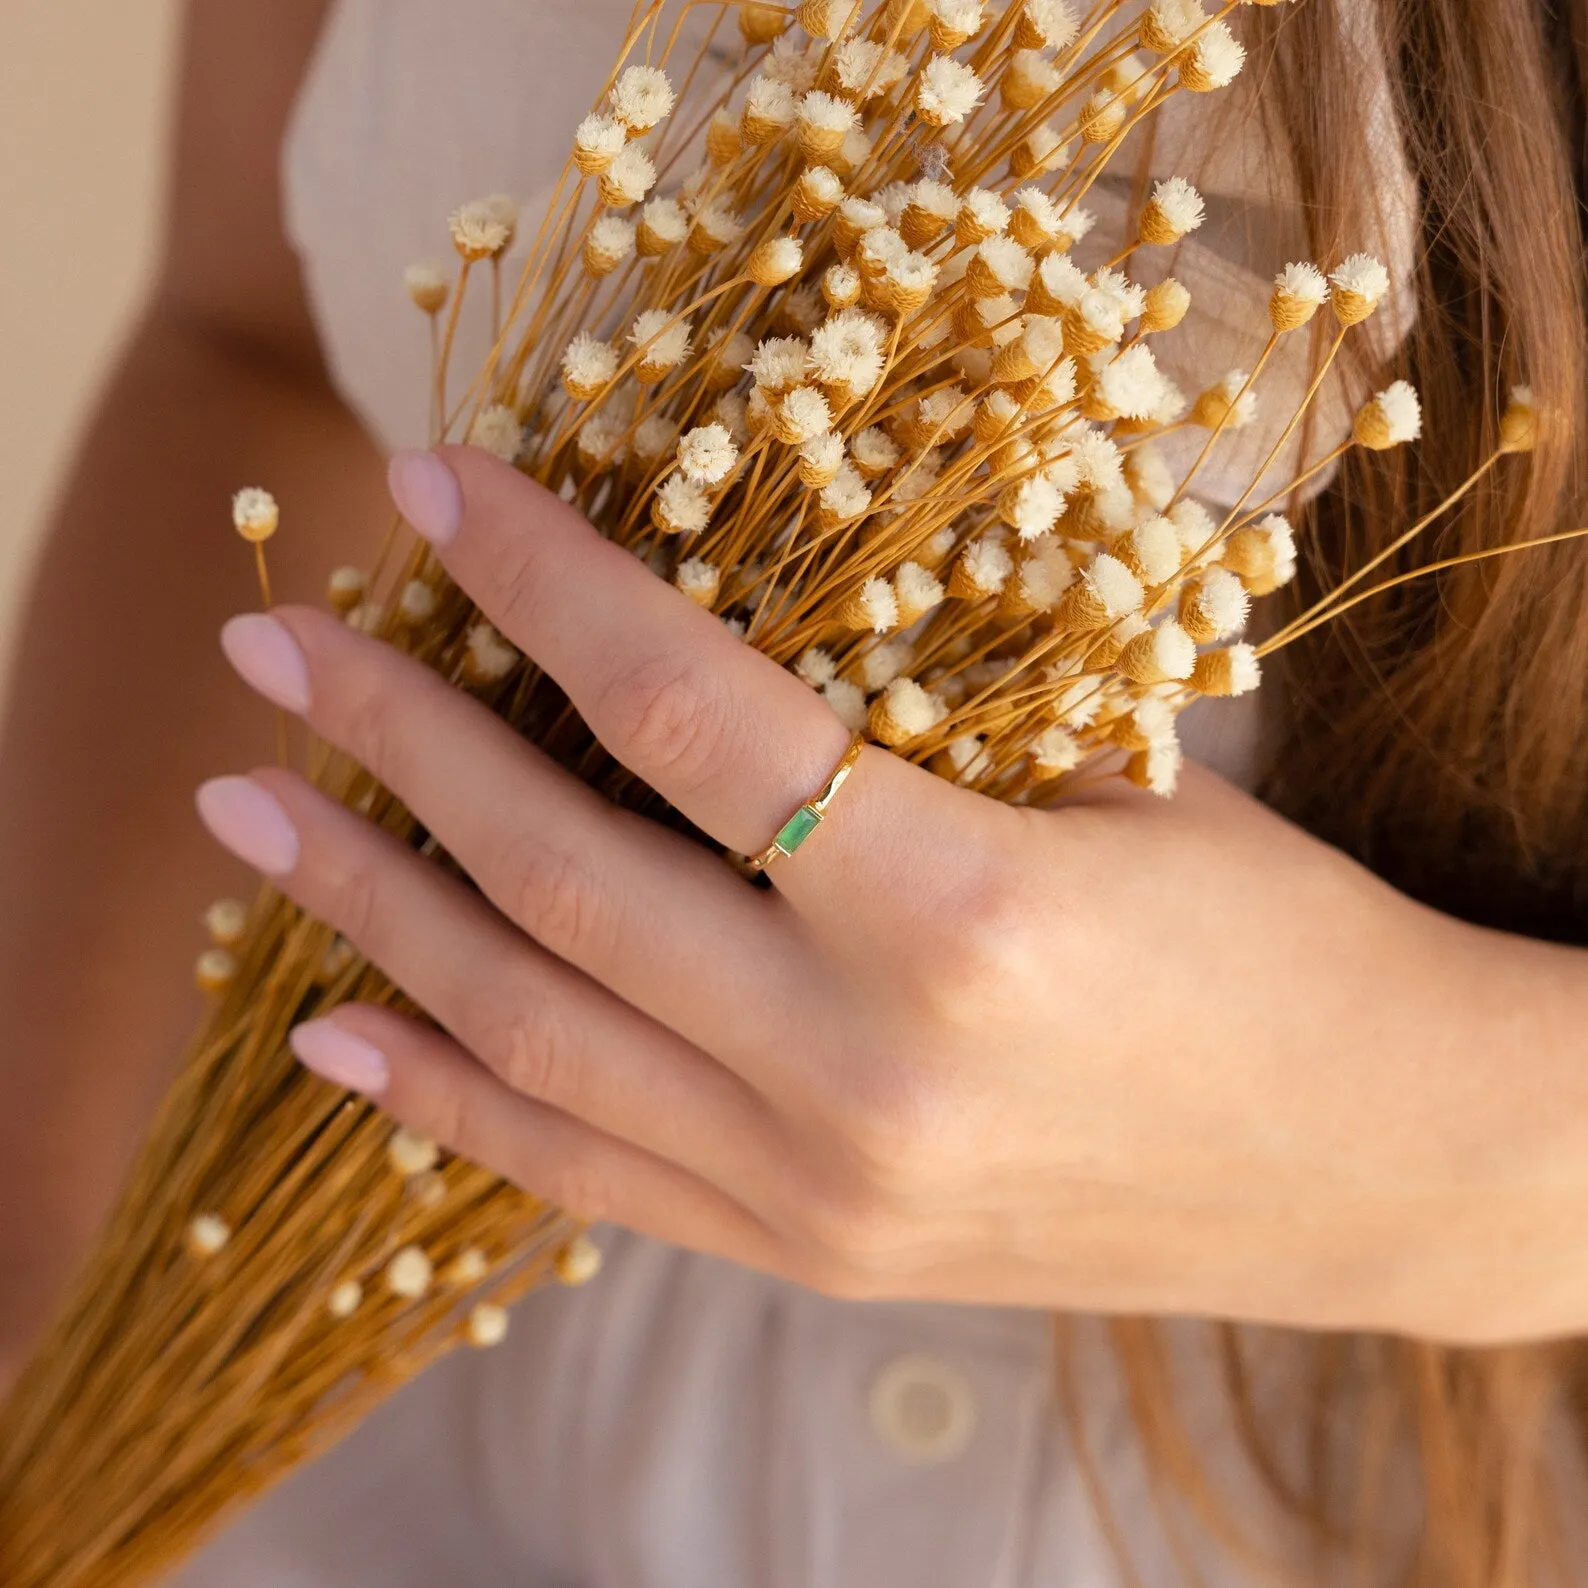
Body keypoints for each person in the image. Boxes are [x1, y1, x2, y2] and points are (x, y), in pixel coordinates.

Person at [4, 0, 1588, 1581]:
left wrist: (1476, 1176)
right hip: (366, 1429)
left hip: (1412, 1502)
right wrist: (44, 1274)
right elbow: (253, 338)